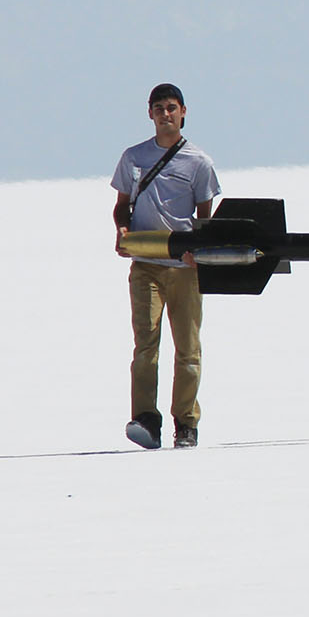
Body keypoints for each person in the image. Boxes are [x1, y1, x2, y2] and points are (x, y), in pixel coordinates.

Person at [112, 82, 221, 449]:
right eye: (159, 108)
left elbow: (205, 216)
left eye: (172, 107)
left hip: (185, 267)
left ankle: (186, 421)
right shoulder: (133, 157)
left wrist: (199, 251)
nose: (166, 114)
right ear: (150, 113)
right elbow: (121, 203)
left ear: (184, 112)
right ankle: (145, 418)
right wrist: (122, 228)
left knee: (188, 349)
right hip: (146, 264)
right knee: (146, 344)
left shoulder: (198, 162)